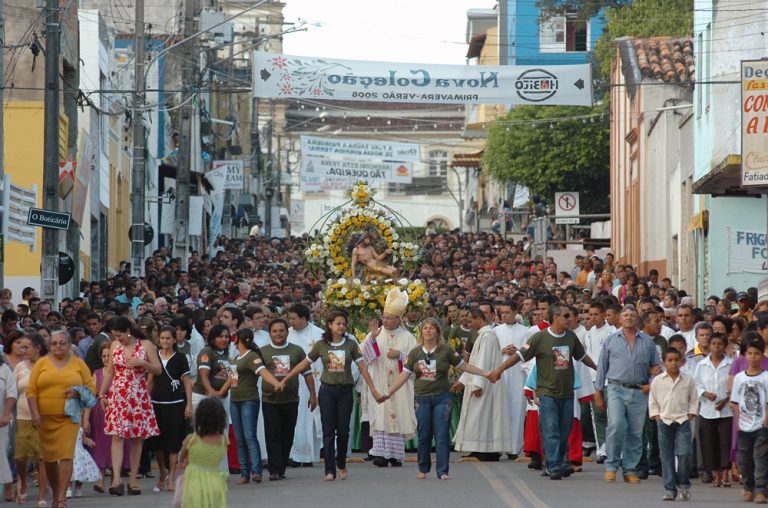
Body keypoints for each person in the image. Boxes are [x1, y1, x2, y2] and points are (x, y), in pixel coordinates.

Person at [489, 303, 597, 480]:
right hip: (547, 393)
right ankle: (554, 466)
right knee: (551, 430)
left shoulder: (571, 337)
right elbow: (519, 357)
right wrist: (498, 371)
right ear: (555, 318)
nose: (570, 319)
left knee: (564, 430)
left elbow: (582, 357)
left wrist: (598, 368)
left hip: (567, 392)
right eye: (566, 316)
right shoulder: (539, 338)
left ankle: (558, 462)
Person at [279, 310, 381, 481]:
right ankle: (329, 469)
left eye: (343, 323)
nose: (341, 326)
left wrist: (373, 390)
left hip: (345, 392)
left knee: (342, 431)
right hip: (327, 392)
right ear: (329, 325)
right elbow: (303, 364)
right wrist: (285, 379)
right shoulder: (321, 345)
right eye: (338, 323)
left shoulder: (350, 344)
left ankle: (341, 463)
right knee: (328, 431)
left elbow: (362, 367)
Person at [386, 317, 491, 479]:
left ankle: (443, 471)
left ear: (437, 331)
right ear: (421, 332)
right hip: (422, 398)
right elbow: (404, 375)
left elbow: (464, 365)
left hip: (442, 398)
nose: (428, 330)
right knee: (424, 434)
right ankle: (423, 468)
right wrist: (388, 392)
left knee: (441, 435)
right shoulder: (415, 352)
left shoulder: (446, 350)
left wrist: (485, 373)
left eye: (431, 328)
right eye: (425, 328)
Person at [27, 330, 94, 508]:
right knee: (48, 459)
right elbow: (31, 391)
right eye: (54, 343)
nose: (58, 346)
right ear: (49, 346)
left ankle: (62, 499)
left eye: (62, 343)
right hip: (44, 418)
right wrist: (34, 413)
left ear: (69, 345)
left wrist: (77, 392)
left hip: (68, 418)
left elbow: (91, 388)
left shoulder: (78, 364)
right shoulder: (41, 363)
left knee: (65, 456)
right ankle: (56, 494)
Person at [594, 305, 661, 484]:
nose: (629, 318)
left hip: (639, 391)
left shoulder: (647, 341)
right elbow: (602, 366)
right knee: (616, 425)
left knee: (635, 432)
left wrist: (651, 381)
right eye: (625, 315)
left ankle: (630, 469)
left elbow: (657, 365)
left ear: (637, 318)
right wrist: (598, 391)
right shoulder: (611, 340)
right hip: (616, 388)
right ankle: (611, 465)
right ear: (620, 318)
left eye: (632, 315)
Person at [98, 316, 162, 496]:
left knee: (136, 438)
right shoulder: (114, 346)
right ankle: (117, 479)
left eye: (119, 335)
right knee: (117, 436)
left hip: (138, 394)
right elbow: (110, 371)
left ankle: (133, 479)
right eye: (115, 336)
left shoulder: (146, 345)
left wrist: (144, 363)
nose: (118, 339)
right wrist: (102, 394)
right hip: (118, 393)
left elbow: (158, 370)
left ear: (128, 331)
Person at [362, 288, 417, 467]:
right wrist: (371, 338)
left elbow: (417, 362)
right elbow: (362, 357)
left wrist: (401, 355)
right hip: (379, 382)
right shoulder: (376, 334)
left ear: (398, 319)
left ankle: (395, 455)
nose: (384, 320)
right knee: (380, 414)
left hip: (400, 386)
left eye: (388, 318)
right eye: (383, 317)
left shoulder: (408, 337)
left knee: (397, 414)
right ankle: (380, 455)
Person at [260, 318, 316, 481]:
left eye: (281, 330)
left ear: (287, 332)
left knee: (287, 435)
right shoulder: (263, 352)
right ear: (269, 333)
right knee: (272, 434)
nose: (278, 334)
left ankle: (282, 466)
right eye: (274, 331)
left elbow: (307, 374)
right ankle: (274, 470)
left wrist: (313, 395)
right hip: (270, 400)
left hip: (291, 400)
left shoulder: (297, 350)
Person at [452, 308, 511, 461]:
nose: (469, 323)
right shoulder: (483, 336)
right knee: (478, 417)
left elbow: (484, 362)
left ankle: (484, 450)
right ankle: (478, 449)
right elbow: (474, 362)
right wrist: (462, 381)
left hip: (484, 384)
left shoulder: (487, 337)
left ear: (479, 318)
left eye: (471, 320)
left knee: (481, 417)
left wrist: (478, 384)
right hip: (481, 381)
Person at [229, 328, 282, 484]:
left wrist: (276, 383)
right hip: (235, 400)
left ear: (237, 339)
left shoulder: (252, 356)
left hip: (248, 400)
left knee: (249, 436)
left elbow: (263, 372)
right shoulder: (236, 358)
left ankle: (256, 471)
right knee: (240, 439)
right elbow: (231, 380)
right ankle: (245, 473)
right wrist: (219, 393)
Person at [146, 325, 193, 492]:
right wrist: (145, 401)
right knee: (157, 444)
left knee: (173, 443)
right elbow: (150, 380)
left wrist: (189, 404)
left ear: (174, 340)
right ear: (158, 339)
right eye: (162, 338)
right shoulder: (154, 356)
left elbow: (187, 381)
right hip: (156, 404)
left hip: (175, 405)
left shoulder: (180, 358)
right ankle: (162, 473)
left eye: (168, 338)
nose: (165, 341)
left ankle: (171, 477)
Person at [649, 347, 698, 501]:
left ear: (681, 362)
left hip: (683, 420)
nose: (673, 363)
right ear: (664, 362)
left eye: (677, 360)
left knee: (684, 453)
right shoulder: (658, 380)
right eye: (670, 360)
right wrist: (657, 416)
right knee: (666, 456)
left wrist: (691, 413)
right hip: (664, 420)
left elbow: (694, 398)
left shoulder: (688, 379)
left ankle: (683, 483)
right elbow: (653, 400)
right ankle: (669, 488)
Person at [730, 336, 768, 503]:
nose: (753, 357)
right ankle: (748, 487)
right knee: (744, 459)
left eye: (757, 353)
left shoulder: (766, 377)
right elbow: (735, 402)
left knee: (760, 458)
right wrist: (738, 422)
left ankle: (761, 490)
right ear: (744, 355)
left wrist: (767, 418)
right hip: (743, 425)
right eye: (750, 353)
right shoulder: (739, 377)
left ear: (762, 356)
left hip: (761, 424)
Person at [693, 332, 733, 488]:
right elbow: (695, 384)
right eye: (714, 344)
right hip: (707, 410)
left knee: (726, 442)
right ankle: (715, 475)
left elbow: (734, 385)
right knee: (710, 443)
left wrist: (726, 399)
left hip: (727, 410)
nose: (717, 347)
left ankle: (725, 475)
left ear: (725, 346)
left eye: (720, 344)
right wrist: (705, 393)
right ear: (709, 346)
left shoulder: (730, 364)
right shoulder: (702, 365)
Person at [286, 304, 323, 465]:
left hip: (315, 381)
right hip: (294, 384)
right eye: (290, 318)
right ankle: (294, 455)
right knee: (295, 418)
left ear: (304, 319)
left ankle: (310, 456)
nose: (291, 321)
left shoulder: (320, 335)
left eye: (294, 318)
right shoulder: (286, 335)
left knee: (312, 419)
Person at [14, 333, 47, 506]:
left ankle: (42, 494)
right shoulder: (20, 366)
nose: (22, 350)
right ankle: (23, 483)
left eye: (26, 347)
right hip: (22, 417)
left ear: (38, 348)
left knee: (43, 457)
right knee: (20, 457)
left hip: (44, 417)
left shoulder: (47, 365)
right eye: (21, 347)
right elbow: (12, 391)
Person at [493, 302, 529, 458]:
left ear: (515, 312)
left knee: (517, 410)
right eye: (502, 313)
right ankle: (498, 446)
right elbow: (489, 352)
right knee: (500, 411)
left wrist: (519, 353)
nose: (504, 315)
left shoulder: (526, 331)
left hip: (518, 375)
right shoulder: (495, 331)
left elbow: (529, 351)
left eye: (507, 312)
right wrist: (502, 350)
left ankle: (514, 448)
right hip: (500, 375)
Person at [178, 397, 228, 508]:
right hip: (215, 482)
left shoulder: (192, 440)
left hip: (194, 483)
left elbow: (181, 459)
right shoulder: (223, 440)